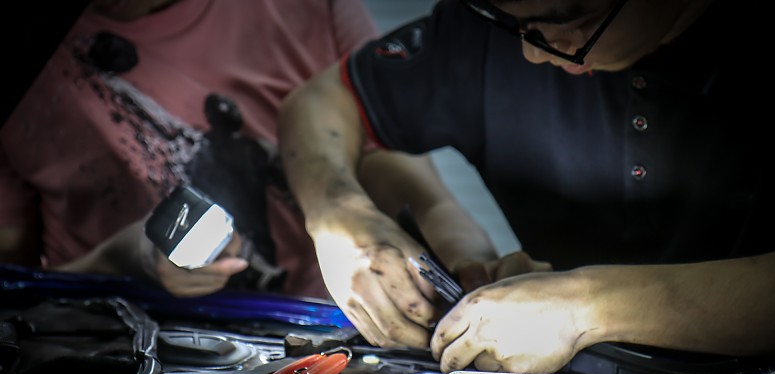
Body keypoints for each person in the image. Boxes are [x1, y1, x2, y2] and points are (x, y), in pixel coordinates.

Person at [278, 0, 775, 373]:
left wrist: (586, 306)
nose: (532, 53)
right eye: (517, 25)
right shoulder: (489, 28)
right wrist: (340, 217)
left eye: (566, 21)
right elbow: (320, 102)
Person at [0, 0, 496, 302]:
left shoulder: (307, 11)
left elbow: (406, 182)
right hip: (121, 362)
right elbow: (17, 295)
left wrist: (466, 260)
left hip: (311, 338)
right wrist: (122, 260)